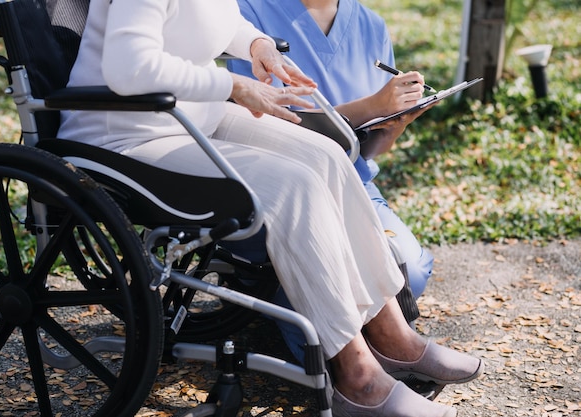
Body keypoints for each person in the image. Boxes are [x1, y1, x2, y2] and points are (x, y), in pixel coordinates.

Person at [57, 1, 483, 416]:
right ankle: (357, 378)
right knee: (293, 185)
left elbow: (219, 22)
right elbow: (128, 67)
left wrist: (257, 44)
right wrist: (235, 86)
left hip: (192, 118)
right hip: (128, 137)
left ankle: (394, 337)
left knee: (327, 155)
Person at [228, 0, 434, 299]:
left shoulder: (371, 25)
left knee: (407, 274)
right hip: (285, 192)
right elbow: (260, 128)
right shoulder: (250, 12)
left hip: (354, 187)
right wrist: (373, 105)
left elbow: (371, 151)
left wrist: (395, 123)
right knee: (337, 282)